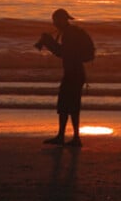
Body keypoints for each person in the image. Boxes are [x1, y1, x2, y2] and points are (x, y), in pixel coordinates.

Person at [35, 8, 93, 147]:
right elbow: (65, 53)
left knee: (68, 105)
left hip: (74, 73)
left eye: (55, 20)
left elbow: (63, 53)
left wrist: (49, 43)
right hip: (75, 73)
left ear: (61, 20)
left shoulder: (69, 34)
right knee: (67, 104)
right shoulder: (69, 32)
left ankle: (73, 138)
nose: (54, 24)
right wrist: (50, 42)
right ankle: (66, 136)